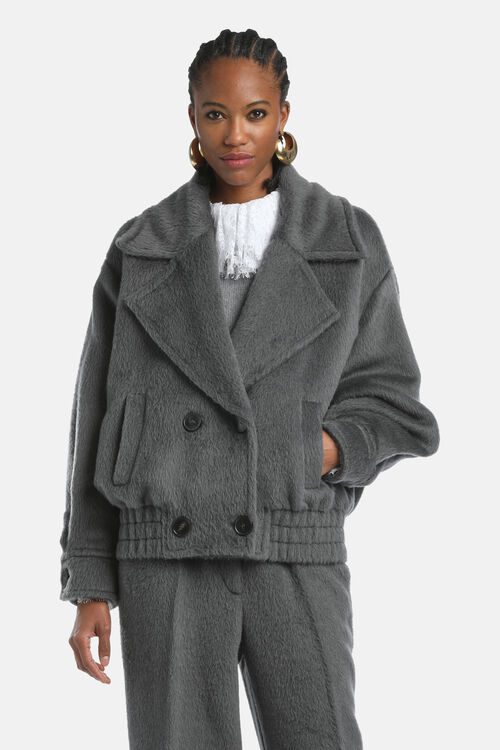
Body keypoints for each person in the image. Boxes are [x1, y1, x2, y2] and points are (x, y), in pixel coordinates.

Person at [59, 28, 440, 750]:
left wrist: (318, 450)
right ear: (192, 117)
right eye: (215, 114)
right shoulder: (141, 247)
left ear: (284, 115)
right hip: (164, 553)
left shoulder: (347, 241)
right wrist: (90, 582)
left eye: (256, 113)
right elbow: (95, 418)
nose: (235, 135)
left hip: (293, 541)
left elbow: (396, 402)